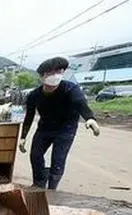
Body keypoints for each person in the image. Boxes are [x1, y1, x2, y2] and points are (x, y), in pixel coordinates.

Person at [19, 57, 101, 190]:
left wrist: (90, 118)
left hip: (66, 128)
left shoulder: (70, 89)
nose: (54, 76)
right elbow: (29, 116)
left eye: (58, 72)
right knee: (35, 155)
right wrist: (23, 137)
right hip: (45, 127)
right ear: (42, 76)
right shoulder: (34, 95)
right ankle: (39, 182)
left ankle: (52, 188)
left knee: (58, 159)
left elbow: (80, 103)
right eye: (50, 73)